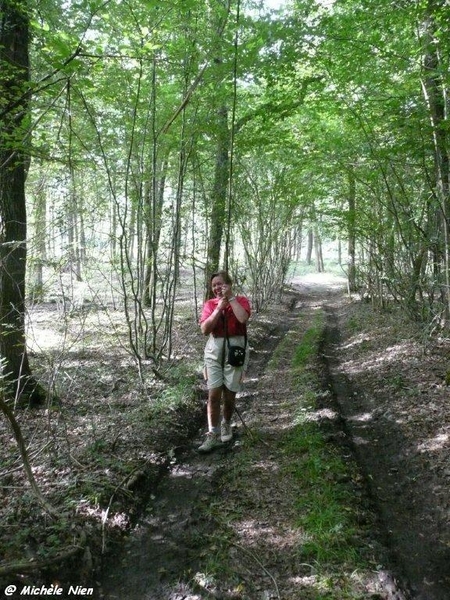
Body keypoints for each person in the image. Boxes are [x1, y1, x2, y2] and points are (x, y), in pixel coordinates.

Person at [198, 270, 251, 453]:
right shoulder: (210, 304)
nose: (217, 288)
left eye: (220, 284)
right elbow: (205, 329)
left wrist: (231, 299)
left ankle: (226, 423)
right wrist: (218, 308)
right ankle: (212, 433)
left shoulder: (241, 301)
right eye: (214, 285)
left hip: (235, 349)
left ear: (229, 284)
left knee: (229, 393)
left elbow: (243, 318)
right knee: (213, 394)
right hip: (214, 350)